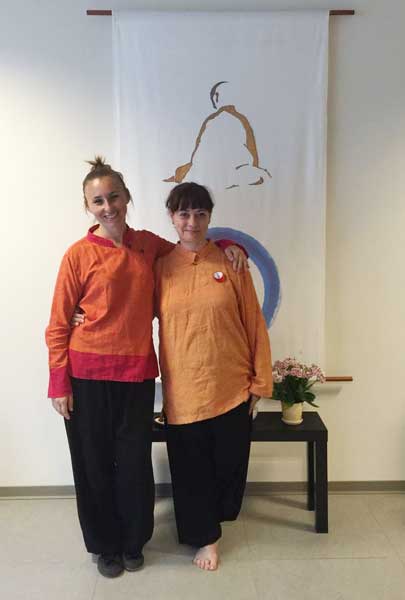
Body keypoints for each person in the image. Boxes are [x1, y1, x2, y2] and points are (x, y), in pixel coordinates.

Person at [45, 158, 247, 579]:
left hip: (136, 376)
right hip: (86, 377)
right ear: (88, 207)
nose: (108, 207)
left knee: (134, 463)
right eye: (98, 201)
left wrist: (232, 245)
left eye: (114, 197)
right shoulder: (78, 255)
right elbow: (59, 324)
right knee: (94, 464)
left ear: (127, 198)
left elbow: (191, 246)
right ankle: (106, 546)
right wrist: (59, 383)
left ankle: (133, 541)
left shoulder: (148, 245)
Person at [154, 182, 273, 571]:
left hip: (231, 385)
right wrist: (84, 315)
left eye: (200, 214)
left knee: (227, 466)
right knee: (191, 471)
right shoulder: (159, 268)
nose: (192, 222)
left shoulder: (231, 262)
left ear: (209, 218)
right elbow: (127, 309)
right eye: (184, 214)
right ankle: (206, 539)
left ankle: (214, 523)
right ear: (172, 217)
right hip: (184, 389)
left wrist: (260, 381)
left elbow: (253, 322)